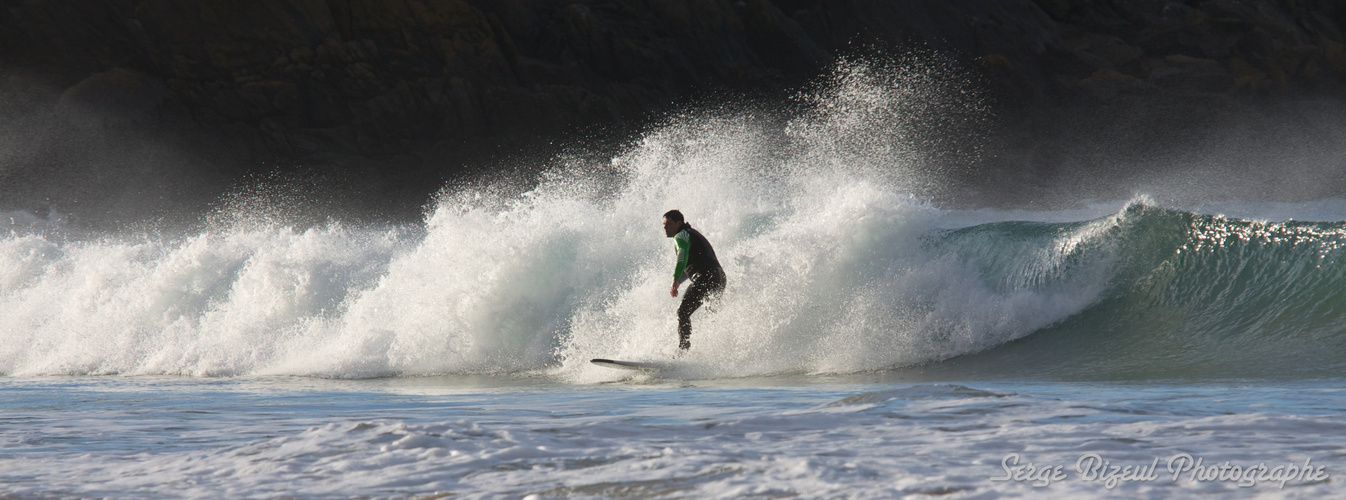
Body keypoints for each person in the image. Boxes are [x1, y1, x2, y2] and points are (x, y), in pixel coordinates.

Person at [662, 209, 726, 350]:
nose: (665, 228)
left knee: (682, 313)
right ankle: (714, 349)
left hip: (705, 277)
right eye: (664, 225)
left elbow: (682, 257)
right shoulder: (692, 234)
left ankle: (683, 352)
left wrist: (675, 279)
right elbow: (691, 265)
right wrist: (679, 281)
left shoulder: (681, 236)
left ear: (678, 223)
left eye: (668, 224)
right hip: (719, 277)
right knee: (710, 315)